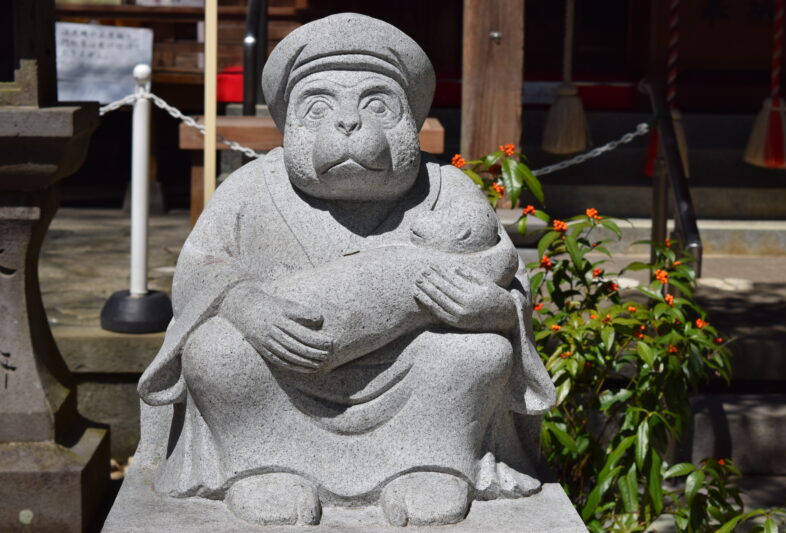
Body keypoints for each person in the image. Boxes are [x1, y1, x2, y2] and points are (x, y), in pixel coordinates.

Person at [136, 13, 555, 527]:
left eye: (377, 105)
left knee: (480, 351)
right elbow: (200, 272)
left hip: (410, 375)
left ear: (412, 122)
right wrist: (243, 302)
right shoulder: (250, 188)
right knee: (214, 350)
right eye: (318, 107)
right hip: (285, 372)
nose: (349, 123)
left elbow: (507, 281)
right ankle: (263, 466)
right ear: (289, 123)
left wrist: (488, 309)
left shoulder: (448, 191)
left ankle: (432, 464)